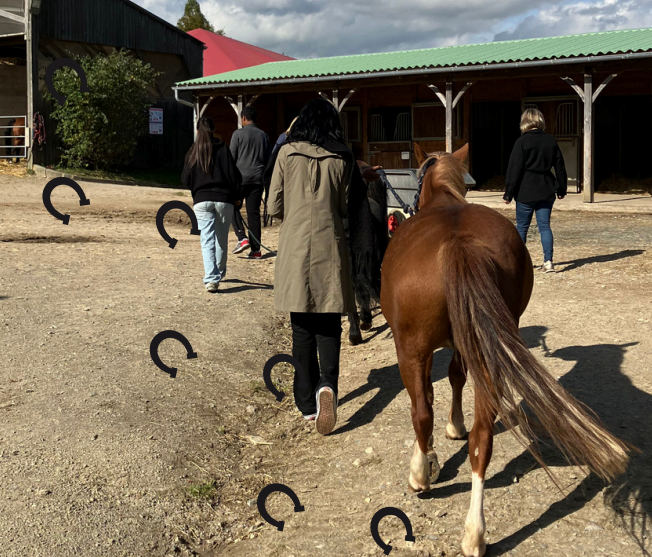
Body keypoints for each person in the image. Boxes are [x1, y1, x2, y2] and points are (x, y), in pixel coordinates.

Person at [268, 98, 380, 435]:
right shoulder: (342, 156)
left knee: (301, 328)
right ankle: (327, 386)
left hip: (295, 249)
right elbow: (348, 208)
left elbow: (273, 205)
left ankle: (305, 404)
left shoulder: (287, 153)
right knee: (329, 324)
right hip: (331, 247)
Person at [182, 117, 242, 293]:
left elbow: (185, 178)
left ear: (197, 131)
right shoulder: (223, 147)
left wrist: (196, 189)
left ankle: (211, 278)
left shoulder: (193, 151)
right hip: (224, 199)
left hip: (202, 199)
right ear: (213, 130)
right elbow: (234, 175)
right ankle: (219, 273)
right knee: (221, 239)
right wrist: (236, 196)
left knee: (206, 238)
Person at [504, 108, 567, 273]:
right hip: (546, 188)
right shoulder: (550, 141)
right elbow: (560, 166)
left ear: (524, 122)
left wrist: (509, 193)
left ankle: (519, 263)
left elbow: (514, 169)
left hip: (526, 190)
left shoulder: (521, 142)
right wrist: (562, 188)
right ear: (540, 121)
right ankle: (548, 262)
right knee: (544, 226)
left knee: (522, 227)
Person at [230, 106, 271, 259]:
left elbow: (232, 158)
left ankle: (241, 237)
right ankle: (256, 250)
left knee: (232, 207)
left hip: (241, 178)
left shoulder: (238, 134)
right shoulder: (264, 136)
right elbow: (268, 160)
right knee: (253, 214)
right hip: (257, 179)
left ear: (244, 118)